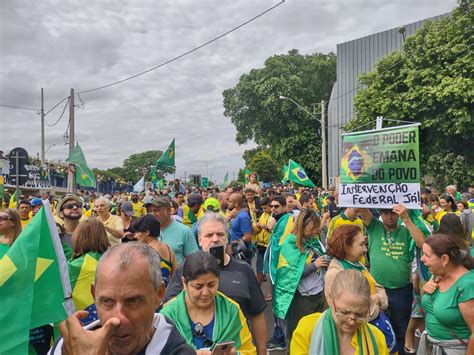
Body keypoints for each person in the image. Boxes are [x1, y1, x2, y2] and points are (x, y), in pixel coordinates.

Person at [50, 243, 195, 354]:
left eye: (133, 301)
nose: (117, 318)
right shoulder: (66, 347)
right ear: (94, 295)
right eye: (107, 302)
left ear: (159, 295)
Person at [163, 213, 267, 354]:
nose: (215, 239)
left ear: (227, 238)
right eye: (209, 235)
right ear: (200, 240)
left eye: (220, 234)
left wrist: (262, 351)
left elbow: (257, 313)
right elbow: (169, 312)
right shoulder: (185, 269)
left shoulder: (244, 270)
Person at [359, 204, 426, 355]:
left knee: (400, 331)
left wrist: (406, 218)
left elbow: (423, 243)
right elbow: (361, 208)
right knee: (377, 330)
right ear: (380, 213)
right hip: (377, 291)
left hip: (402, 291)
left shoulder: (405, 230)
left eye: (392, 213)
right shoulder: (374, 226)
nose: (389, 216)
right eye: (385, 213)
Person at [161, 251, 255, 353]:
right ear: (184, 283)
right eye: (198, 286)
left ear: (218, 279)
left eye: (211, 285)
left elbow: (249, 351)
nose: (205, 293)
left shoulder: (231, 311)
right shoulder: (168, 317)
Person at [325, 224, 396, 353]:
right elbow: (342, 313)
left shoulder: (358, 265)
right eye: (361, 244)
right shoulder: (335, 273)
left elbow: (378, 288)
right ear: (346, 246)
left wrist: (372, 299)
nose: (365, 249)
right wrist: (375, 300)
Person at [291, 269, 389, 354]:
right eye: (344, 312)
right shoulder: (307, 329)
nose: (351, 321)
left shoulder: (377, 338)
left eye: (360, 315)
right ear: (330, 298)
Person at [273, 209, 328, 343]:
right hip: (302, 298)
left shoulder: (313, 241)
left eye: (316, 228)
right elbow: (291, 274)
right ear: (301, 226)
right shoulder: (290, 243)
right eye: (311, 229)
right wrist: (315, 265)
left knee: (318, 333)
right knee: (299, 334)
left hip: (319, 294)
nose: (315, 232)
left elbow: (323, 259)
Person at [419, 234, 474, 354]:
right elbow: (426, 310)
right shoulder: (436, 275)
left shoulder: (467, 285)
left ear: (444, 259)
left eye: (427, 255)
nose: (422, 259)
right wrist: (424, 290)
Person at [266, 195, 295, 351]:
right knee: (278, 307)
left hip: (280, 271)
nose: (273, 209)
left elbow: (280, 247)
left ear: (285, 206)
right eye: (272, 207)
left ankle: (283, 340)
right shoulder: (281, 219)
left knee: (282, 308)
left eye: (276, 207)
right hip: (276, 271)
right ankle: (279, 337)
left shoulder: (287, 221)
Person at [68, 218, 110, 324]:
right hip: (109, 321)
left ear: (78, 237)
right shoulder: (115, 261)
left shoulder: (71, 267)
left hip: (80, 325)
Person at [144, 195, 198, 263]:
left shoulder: (184, 231)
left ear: (169, 210)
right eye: (150, 211)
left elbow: (194, 261)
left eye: (156, 210)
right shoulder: (146, 231)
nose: (152, 214)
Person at [134, 214, 177, 288]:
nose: (135, 236)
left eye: (138, 232)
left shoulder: (145, 251)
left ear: (147, 232)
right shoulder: (168, 249)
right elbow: (175, 276)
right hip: (166, 294)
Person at [253, 197, 275, 286]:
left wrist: (264, 227)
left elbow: (274, 230)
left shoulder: (275, 216)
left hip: (270, 246)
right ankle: (257, 292)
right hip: (260, 245)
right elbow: (258, 231)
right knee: (259, 269)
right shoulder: (263, 215)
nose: (264, 210)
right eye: (262, 208)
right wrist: (256, 227)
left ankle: (270, 292)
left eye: (265, 208)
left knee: (270, 271)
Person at [227, 192, 253, 264]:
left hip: (241, 253)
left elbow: (247, 237)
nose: (228, 203)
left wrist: (231, 243)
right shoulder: (234, 214)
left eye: (230, 202)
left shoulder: (243, 217)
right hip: (234, 251)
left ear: (236, 204)